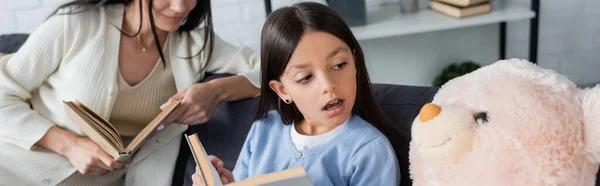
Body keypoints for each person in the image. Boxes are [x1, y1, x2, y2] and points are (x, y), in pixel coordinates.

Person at [0, 0, 260, 185]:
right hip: (15, 169)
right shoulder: (75, 24)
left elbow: (274, 69)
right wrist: (69, 145)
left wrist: (216, 90)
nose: (180, 7)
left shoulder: (196, 44)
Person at [192, 2, 403, 186]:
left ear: (355, 63)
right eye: (305, 78)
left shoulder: (368, 151)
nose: (328, 85)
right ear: (282, 90)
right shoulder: (263, 130)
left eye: (339, 65)